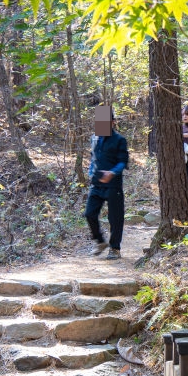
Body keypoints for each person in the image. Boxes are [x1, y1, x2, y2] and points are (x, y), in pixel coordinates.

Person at [85, 106, 128, 260]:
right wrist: (91, 172)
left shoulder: (119, 140)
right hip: (96, 184)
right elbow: (93, 158)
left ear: (112, 122)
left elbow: (123, 162)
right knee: (89, 213)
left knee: (115, 218)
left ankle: (115, 248)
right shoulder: (94, 138)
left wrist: (112, 172)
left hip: (113, 184)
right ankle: (100, 242)